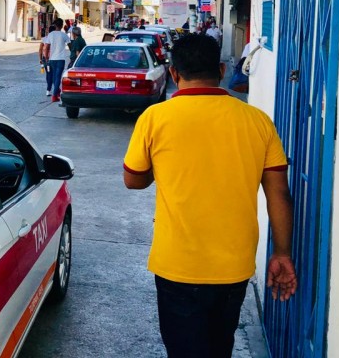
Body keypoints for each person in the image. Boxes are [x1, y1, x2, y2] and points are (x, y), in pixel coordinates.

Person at [122, 34, 296, 357]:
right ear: (220, 69)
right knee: (219, 347)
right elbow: (279, 195)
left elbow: (133, 180)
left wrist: (160, 168)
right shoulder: (258, 122)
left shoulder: (154, 118)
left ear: (174, 74)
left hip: (177, 265)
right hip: (234, 267)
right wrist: (282, 253)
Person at [41, 18, 70, 102]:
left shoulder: (51, 35)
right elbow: (70, 46)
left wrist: (46, 57)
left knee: (54, 77)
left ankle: (57, 92)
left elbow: (46, 47)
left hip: (52, 59)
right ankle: (54, 96)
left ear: (55, 25)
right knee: (57, 77)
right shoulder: (64, 35)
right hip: (60, 59)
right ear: (61, 25)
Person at [38, 24, 56, 96]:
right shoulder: (55, 39)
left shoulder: (44, 39)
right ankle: (51, 89)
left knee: (48, 74)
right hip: (54, 58)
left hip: (45, 59)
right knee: (53, 74)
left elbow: (40, 50)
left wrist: (40, 59)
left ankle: (48, 89)